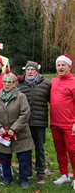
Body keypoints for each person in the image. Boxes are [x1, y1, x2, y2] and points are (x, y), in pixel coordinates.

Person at [0, 73, 34, 188]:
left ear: (15, 83)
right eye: (5, 81)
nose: (7, 84)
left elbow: (25, 113)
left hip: (20, 133)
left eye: (10, 82)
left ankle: (24, 179)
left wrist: (14, 128)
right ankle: (7, 178)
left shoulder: (21, 96)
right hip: (3, 134)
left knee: (23, 158)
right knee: (4, 158)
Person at [18, 61, 50, 184]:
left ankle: (40, 172)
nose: (30, 71)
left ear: (37, 71)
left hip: (39, 122)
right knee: (25, 148)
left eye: (33, 69)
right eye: (28, 69)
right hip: (25, 122)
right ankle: (27, 171)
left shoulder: (46, 84)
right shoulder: (20, 85)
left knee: (39, 148)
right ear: (25, 71)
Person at [50, 54, 75, 190]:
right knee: (60, 151)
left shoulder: (74, 82)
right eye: (58, 65)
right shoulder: (53, 81)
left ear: (69, 67)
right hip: (55, 123)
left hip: (70, 125)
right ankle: (64, 174)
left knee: (73, 151)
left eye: (63, 65)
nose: (60, 67)